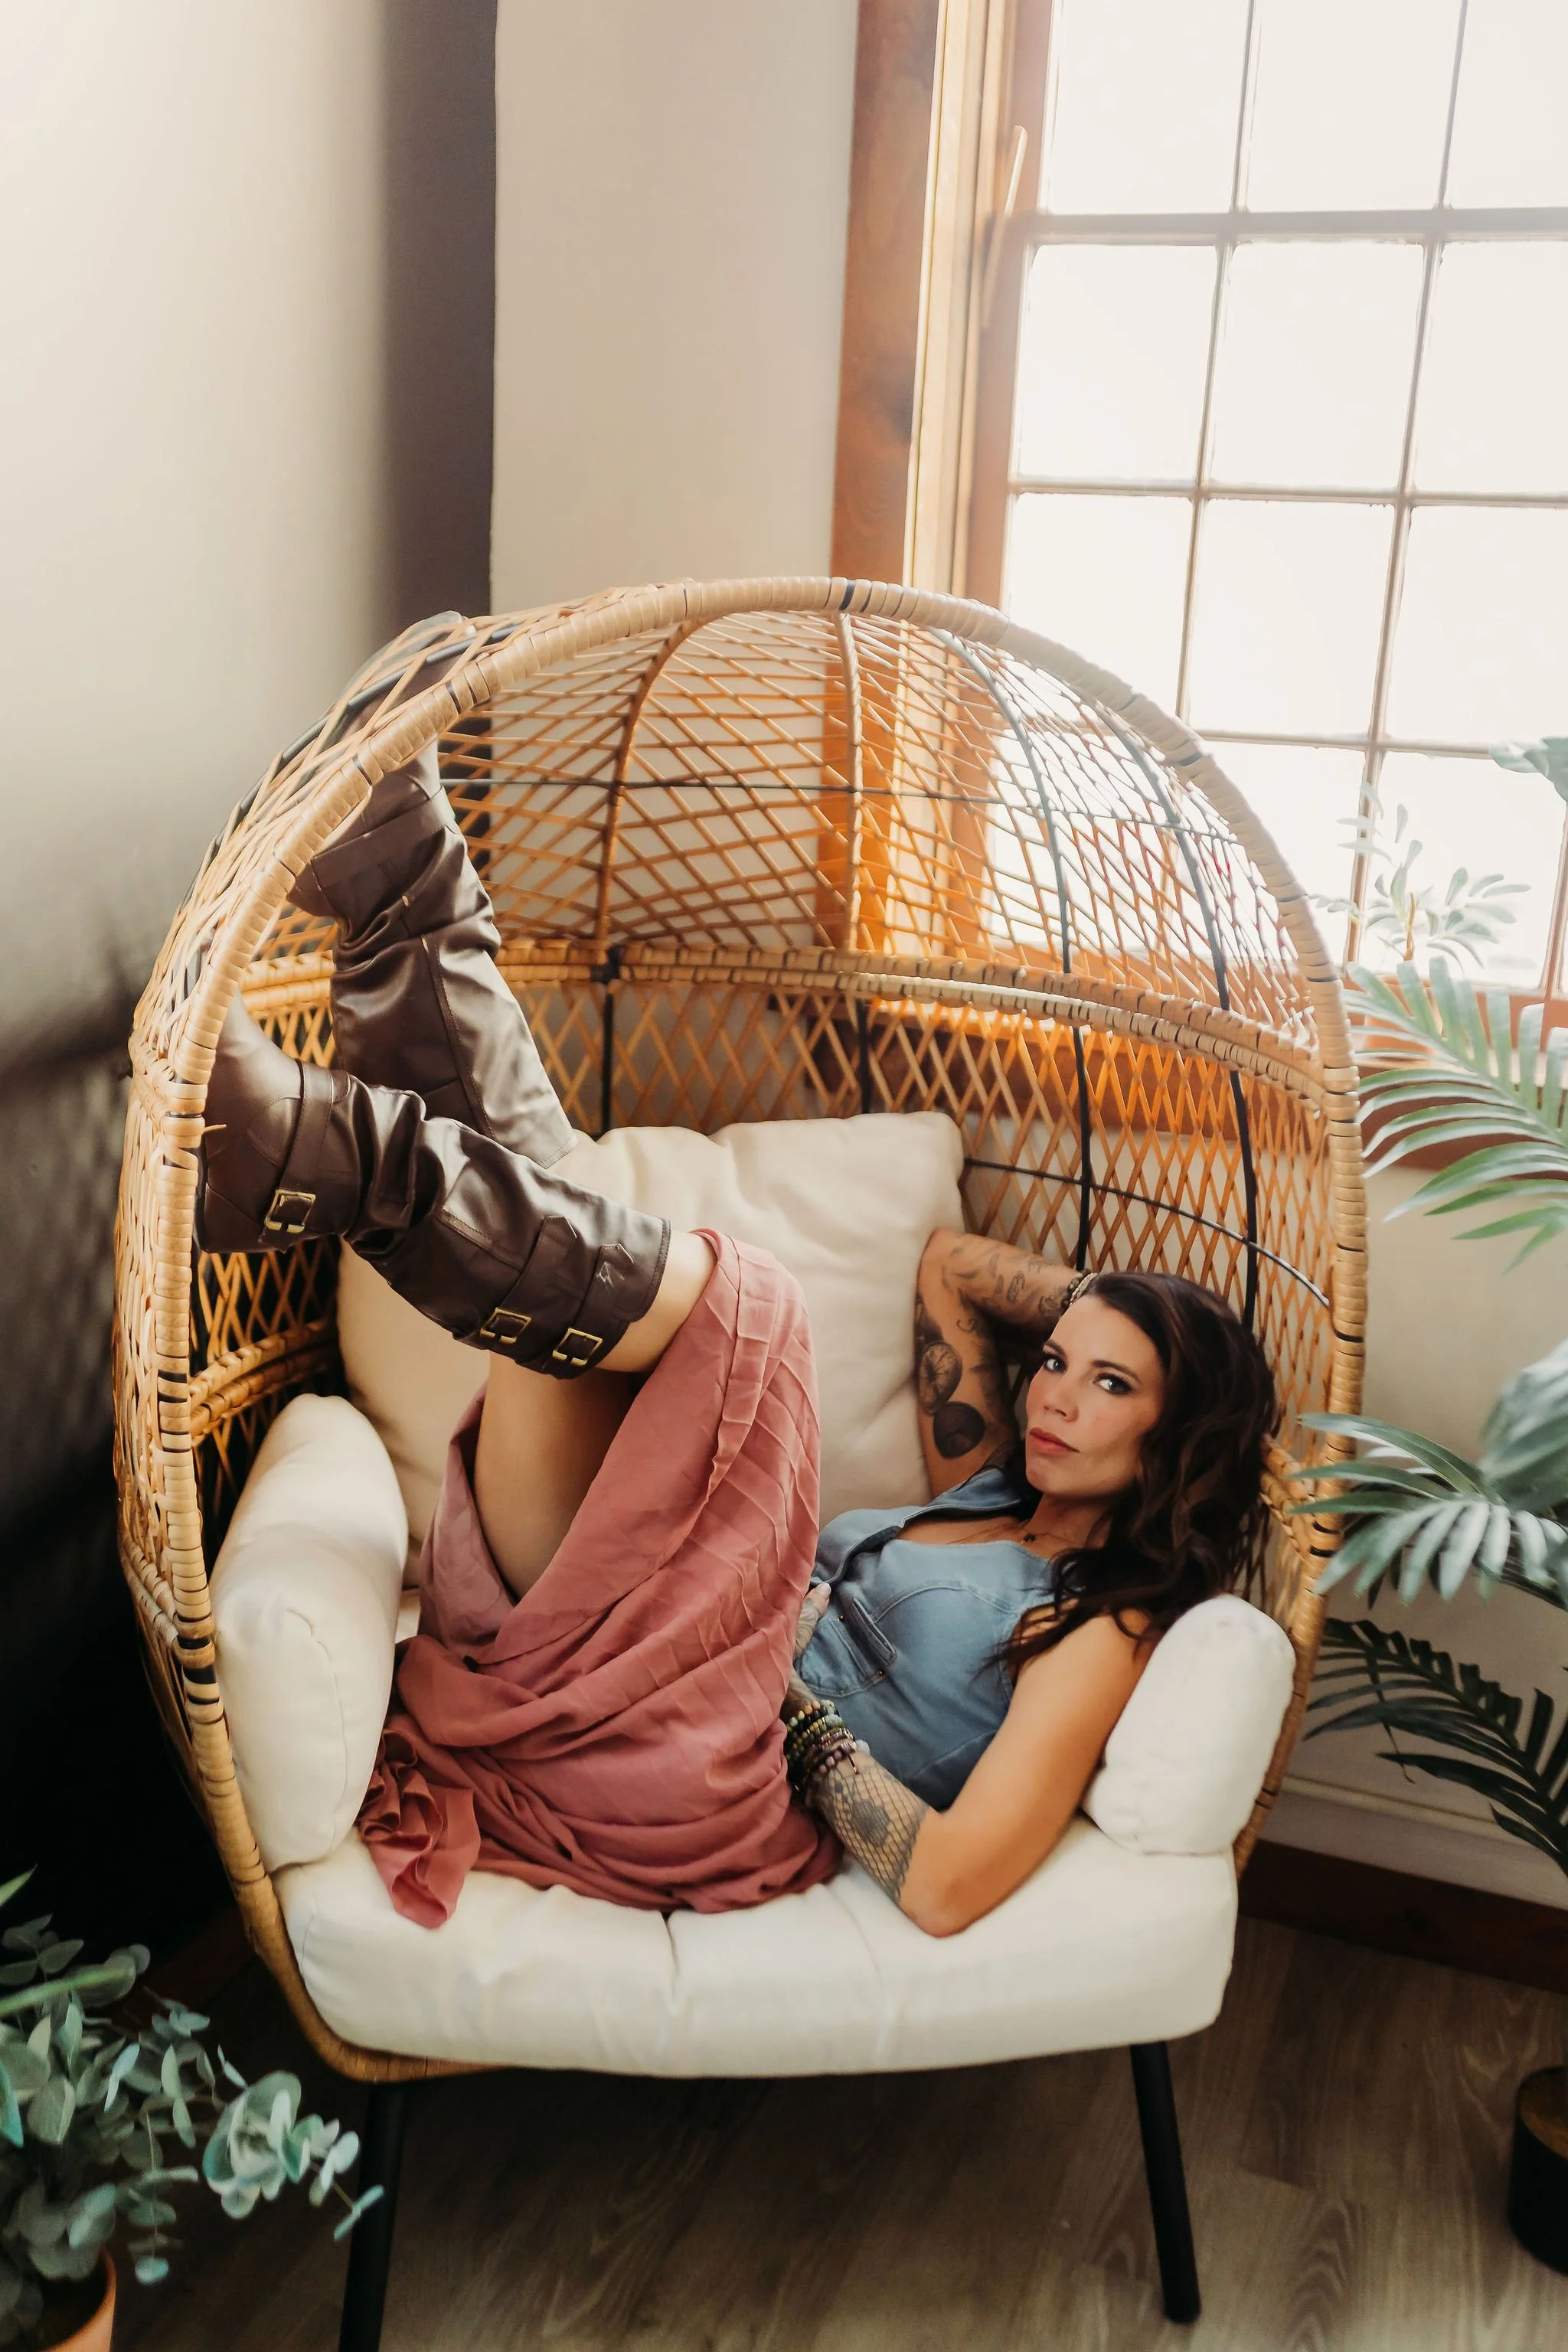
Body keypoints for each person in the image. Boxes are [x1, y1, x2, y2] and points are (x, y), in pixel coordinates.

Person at [199, 678, 1277, 1936]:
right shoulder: (986, 1484)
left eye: (1113, 1388)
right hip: (630, 1662)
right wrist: (1104, 1307)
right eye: (1060, 1364)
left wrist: (792, 1712)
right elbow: (950, 1274)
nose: (1055, 1397)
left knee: (751, 1294)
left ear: (1178, 1436)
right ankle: (401, 904)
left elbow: (943, 1886)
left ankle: (336, 1127)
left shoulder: (1103, 1623)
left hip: (711, 1778)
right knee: (565, 1255)